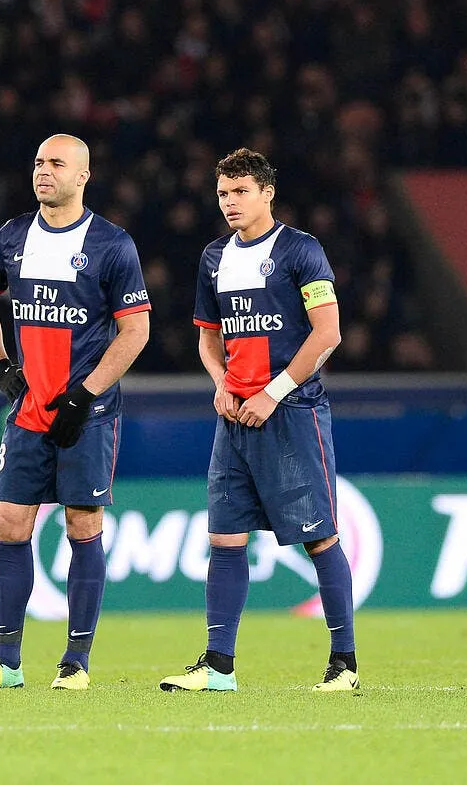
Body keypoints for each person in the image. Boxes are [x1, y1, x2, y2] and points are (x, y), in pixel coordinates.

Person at [0, 134, 150, 691]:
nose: (44, 171)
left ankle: (76, 662)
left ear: (83, 175)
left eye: (57, 163)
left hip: (88, 413)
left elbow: (135, 331)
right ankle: (7, 662)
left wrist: (85, 394)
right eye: (39, 162)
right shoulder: (9, 238)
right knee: (9, 523)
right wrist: (0, 367)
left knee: (82, 524)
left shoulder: (112, 245)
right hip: (29, 412)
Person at [160, 148, 358, 692]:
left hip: (291, 413)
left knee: (318, 537)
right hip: (235, 418)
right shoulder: (213, 257)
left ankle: (344, 665)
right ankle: (218, 666)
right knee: (224, 539)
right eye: (223, 193)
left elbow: (328, 333)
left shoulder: (301, 250)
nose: (230, 202)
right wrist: (221, 383)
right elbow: (207, 336)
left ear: (267, 193)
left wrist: (274, 392)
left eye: (241, 191)